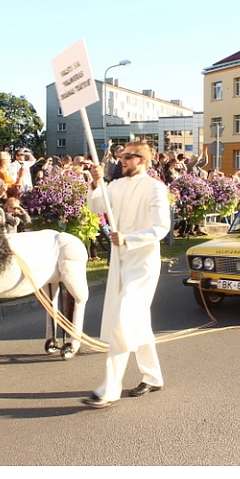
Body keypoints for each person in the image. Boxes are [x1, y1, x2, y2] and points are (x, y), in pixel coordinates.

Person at [81, 141, 170, 408]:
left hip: (143, 265)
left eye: (129, 156)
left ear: (143, 160)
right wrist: (96, 182)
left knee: (121, 320)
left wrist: (129, 238)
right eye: (122, 155)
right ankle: (153, 376)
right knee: (137, 321)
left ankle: (110, 388)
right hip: (120, 264)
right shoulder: (116, 185)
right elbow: (96, 206)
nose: (123, 160)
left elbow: (161, 227)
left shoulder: (155, 187)